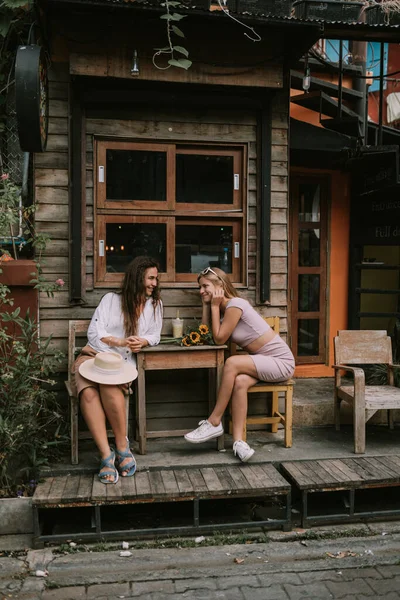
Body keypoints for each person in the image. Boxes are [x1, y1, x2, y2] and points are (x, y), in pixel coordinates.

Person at [184, 267, 295, 462]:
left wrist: (213, 307)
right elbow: (205, 335)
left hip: (281, 362)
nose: (201, 290)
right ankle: (239, 443)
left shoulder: (235, 305)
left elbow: (219, 340)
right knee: (240, 382)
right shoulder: (223, 311)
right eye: (199, 287)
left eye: (205, 286)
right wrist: (206, 306)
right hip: (262, 362)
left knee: (232, 362)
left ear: (220, 285)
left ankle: (214, 421)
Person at [72, 256, 163, 484]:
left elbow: (155, 335)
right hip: (92, 356)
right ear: (137, 277)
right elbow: (94, 333)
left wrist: (142, 342)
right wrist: (119, 342)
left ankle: (122, 447)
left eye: (156, 279)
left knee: (110, 388)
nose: (154, 283)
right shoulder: (110, 300)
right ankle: (106, 454)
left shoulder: (155, 306)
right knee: (89, 392)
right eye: (150, 278)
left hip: (119, 365)